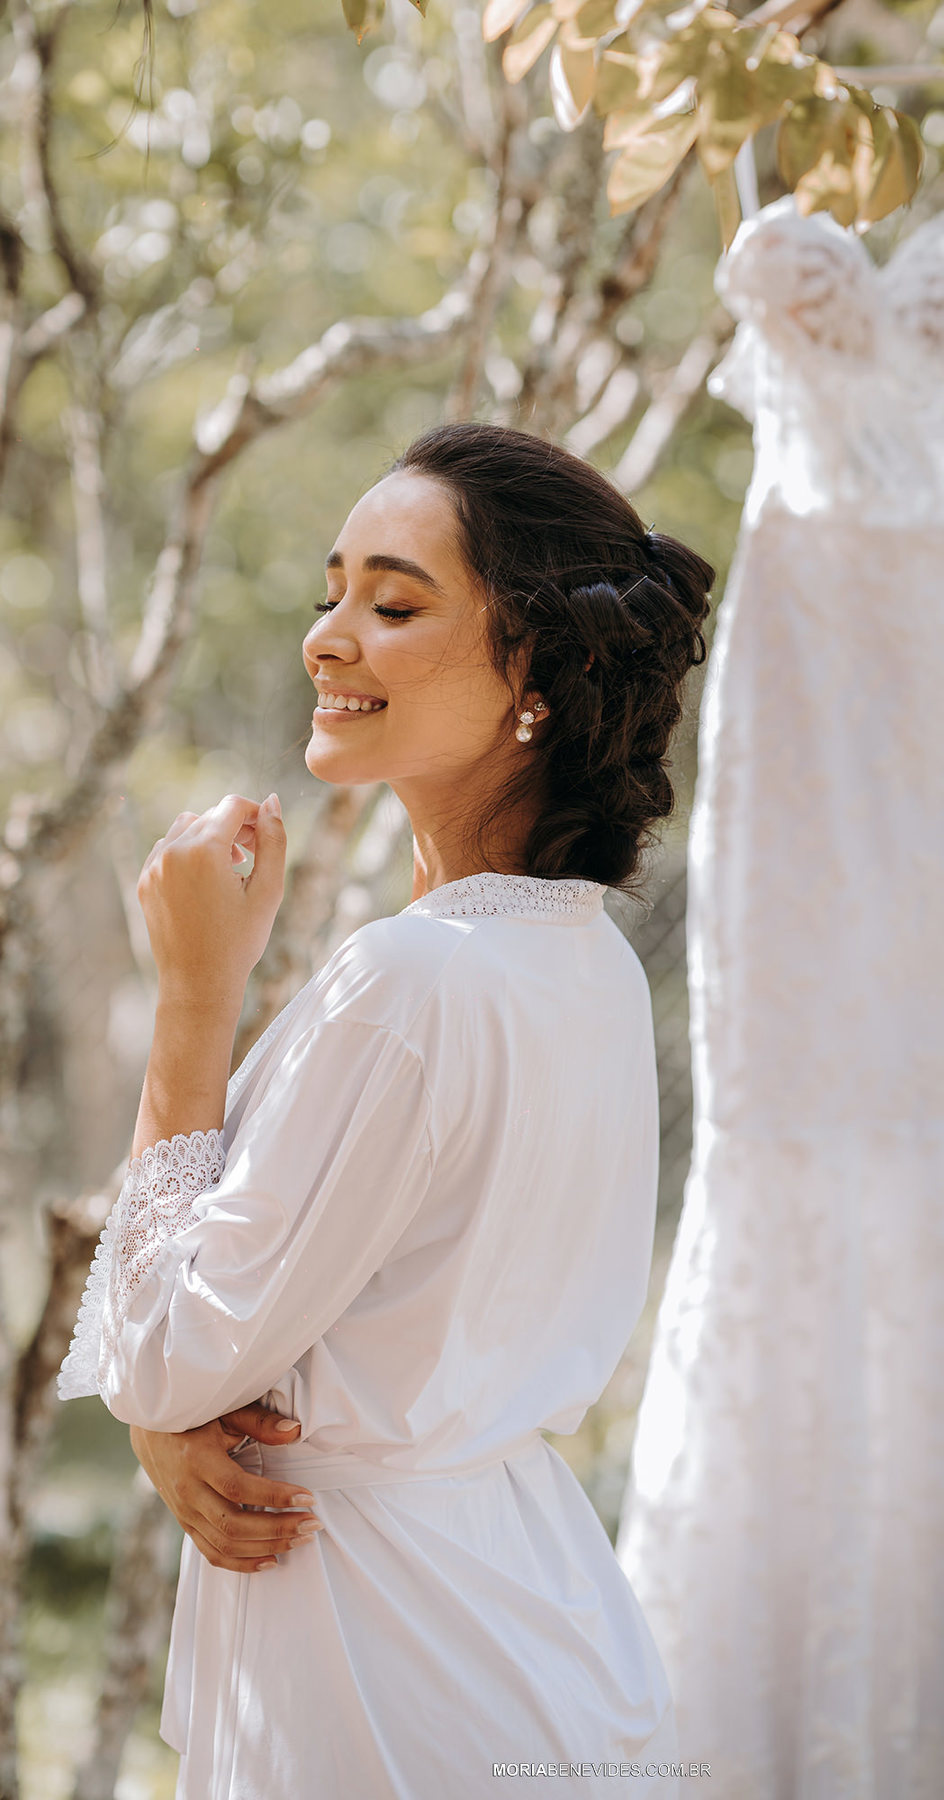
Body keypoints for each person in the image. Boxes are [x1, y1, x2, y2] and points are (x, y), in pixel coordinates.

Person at [57, 420, 715, 1799]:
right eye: (331, 592)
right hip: (524, 1608)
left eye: (395, 602)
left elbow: (171, 1350)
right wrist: (180, 1421)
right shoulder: (576, 954)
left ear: (534, 667)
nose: (330, 636)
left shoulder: (412, 980)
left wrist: (194, 999)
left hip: (378, 1653)